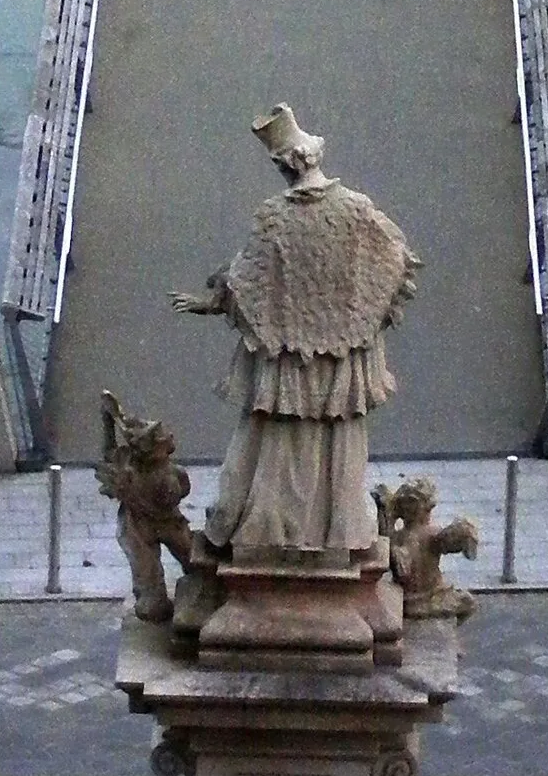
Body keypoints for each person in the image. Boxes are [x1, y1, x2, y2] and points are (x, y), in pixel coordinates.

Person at [172, 106, 419, 558]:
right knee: (336, 444)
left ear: (287, 164)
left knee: (273, 442)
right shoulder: (357, 209)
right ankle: (335, 532)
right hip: (343, 356)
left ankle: (270, 529)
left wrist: (211, 301)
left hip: (286, 358)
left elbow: (247, 282)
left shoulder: (274, 217)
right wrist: (358, 317)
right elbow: (395, 260)